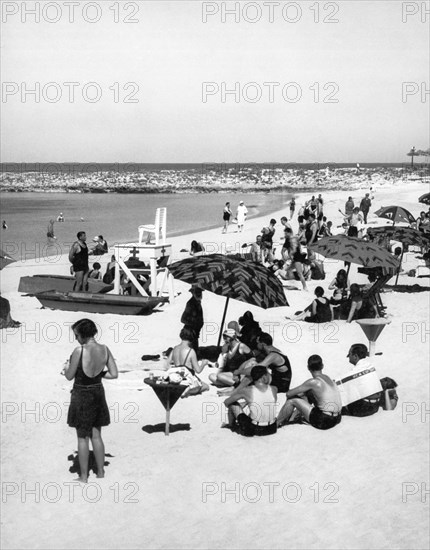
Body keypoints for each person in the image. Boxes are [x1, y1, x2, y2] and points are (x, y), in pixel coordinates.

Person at [65, 318, 118, 483]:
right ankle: (101, 472)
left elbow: (69, 376)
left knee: (82, 437)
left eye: (76, 335)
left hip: (81, 393)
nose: (75, 338)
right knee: (96, 434)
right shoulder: (105, 349)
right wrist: (99, 374)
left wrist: (66, 367)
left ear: (82, 334)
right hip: (98, 391)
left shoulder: (79, 351)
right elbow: (114, 374)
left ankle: (83, 476)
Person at [277, 354, 342, 430]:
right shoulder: (328, 378)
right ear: (322, 366)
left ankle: (275, 424)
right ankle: (293, 418)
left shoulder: (313, 382)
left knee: (292, 400)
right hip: (337, 418)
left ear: (308, 368)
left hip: (324, 421)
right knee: (308, 393)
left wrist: (299, 394)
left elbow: (288, 394)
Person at [223, 366, 277, 436]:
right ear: (264, 376)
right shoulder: (274, 389)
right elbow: (263, 401)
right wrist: (248, 402)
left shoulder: (247, 390)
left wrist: (245, 403)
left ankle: (232, 426)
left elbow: (226, 402)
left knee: (233, 404)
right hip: (272, 428)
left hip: (255, 429)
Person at [167, 326, 210, 397]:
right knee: (206, 386)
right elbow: (198, 370)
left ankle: (182, 390)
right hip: (187, 378)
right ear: (191, 338)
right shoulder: (191, 351)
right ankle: (188, 392)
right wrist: (203, 364)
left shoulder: (174, 349)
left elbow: (166, 365)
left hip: (176, 377)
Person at [341, 344, 382, 417]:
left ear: (355, 356)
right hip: (376, 405)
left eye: (350, 354)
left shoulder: (355, 371)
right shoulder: (369, 365)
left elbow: (339, 384)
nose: (348, 357)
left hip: (364, 408)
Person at [180, 285, 204, 351]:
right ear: (193, 293)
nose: (199, 294)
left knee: (194, 354)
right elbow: (183, 319)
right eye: (197, 292)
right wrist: (194, 323)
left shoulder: (198, 303)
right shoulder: (190, 304)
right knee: (189, 354)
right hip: (189, 334)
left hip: (195, 334)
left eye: (200, 292)